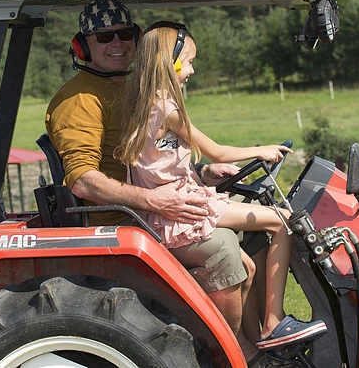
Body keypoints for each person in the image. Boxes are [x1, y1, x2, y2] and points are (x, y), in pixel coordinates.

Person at [46, 0, 278, 366]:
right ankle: (233, 354)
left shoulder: (132, 88)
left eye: (125, 34)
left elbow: (151, 158)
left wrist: (201, 173)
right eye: (104, 36)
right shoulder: (78, 100)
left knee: (256, 231)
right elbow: (82, 180)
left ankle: (265, 341)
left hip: (150, 208)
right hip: (123, 220)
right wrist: (154, 201)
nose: (117, 43)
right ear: (82, 45)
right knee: (222, 248)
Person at [115, 21, 327, 351]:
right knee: (283, 221)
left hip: (173, 208)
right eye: (189, 61)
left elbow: (164, 164)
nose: (192, 70)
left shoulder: (145, 106)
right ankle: (274, 322)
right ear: (169, 63)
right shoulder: (167, 110)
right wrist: (261, 150)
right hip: (180, 212)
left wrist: (204, 173)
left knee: (249, 267)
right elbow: (217, 150)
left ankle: (256, 345)